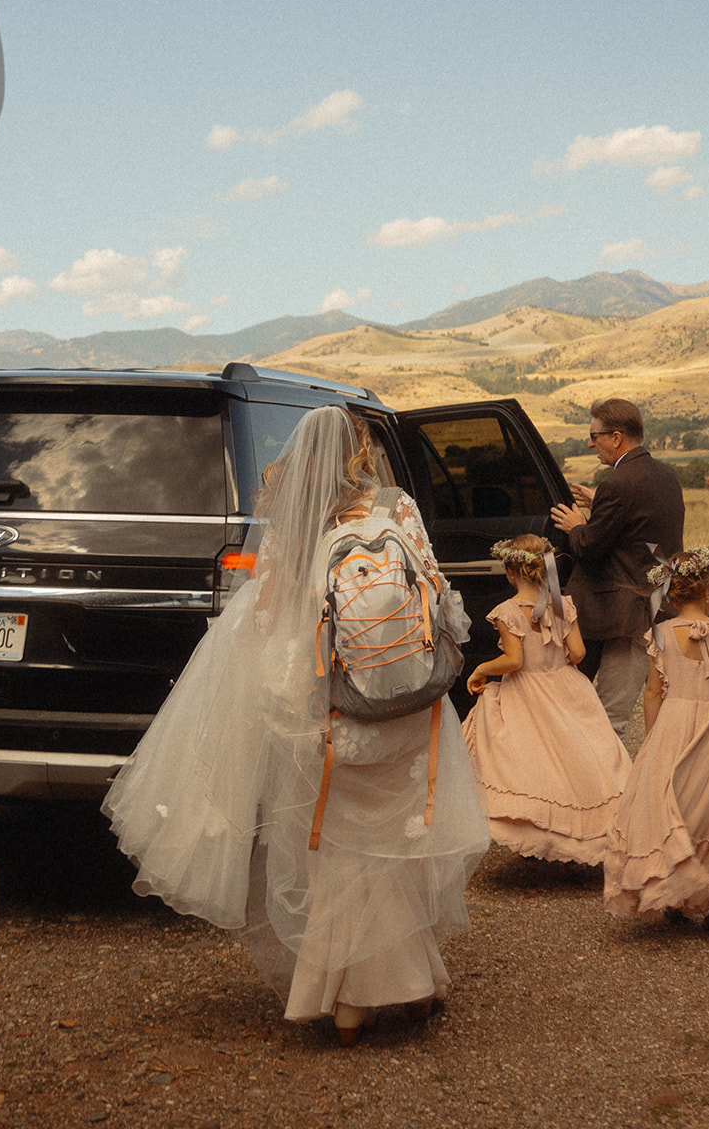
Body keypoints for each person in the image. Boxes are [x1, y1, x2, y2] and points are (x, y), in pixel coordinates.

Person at [102, 405, 488, 1046]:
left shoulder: (299, 527)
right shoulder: (399, 512)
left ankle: (344, 999)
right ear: (362, 452)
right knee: (397, 840)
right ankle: (409, 982)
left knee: (339, 849)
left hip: (336, 710)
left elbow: (268, 620)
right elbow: (444, 601)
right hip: (410, 705)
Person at [602, 547, 709, 936]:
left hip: (674, 727)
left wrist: (655, 739)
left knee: (674, 808)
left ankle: (678, 894)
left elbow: (653, 692)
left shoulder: (662, 634)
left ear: (671, 594)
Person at [461, 534, 631, 865]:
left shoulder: (507, 611)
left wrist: (481, 668)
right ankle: (591, 830)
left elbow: (514, 661)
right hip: (567, 687)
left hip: (527, 691)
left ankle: (541, 830)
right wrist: (557, 663)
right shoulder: (563, 604)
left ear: (510, 572)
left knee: (533, 761)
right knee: (579, 758)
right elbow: (579, 653)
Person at [550, 398, 684, 737]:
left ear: (616, 437)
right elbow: (643, 532)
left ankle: (612, 789)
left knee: (609, 721)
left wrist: (577, 526)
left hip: (622, 616)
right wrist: (601, 506)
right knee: (611, 713)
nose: (590, 443)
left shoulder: (617, 483)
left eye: (594, 436)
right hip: (653, 606)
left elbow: (589, 548)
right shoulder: (666, 476)